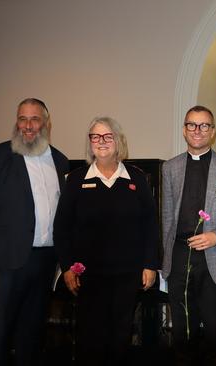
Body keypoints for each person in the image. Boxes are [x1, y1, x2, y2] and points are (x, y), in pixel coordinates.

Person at [53, 117, 158, 366]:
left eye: (107, 136)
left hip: (126, 275)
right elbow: (61, 227)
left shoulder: (137, 178)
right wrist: (67, 267)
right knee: (91, 338)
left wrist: (150, 265)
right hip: (88, 277)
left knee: (120, 337)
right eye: (95, 137)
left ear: (118, 141)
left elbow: (150, 225)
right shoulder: (76, 179)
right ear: (90, 143)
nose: (101, 142)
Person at [0, 98, 69, 366]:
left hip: (45, 262)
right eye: (22, 118)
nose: (27, 125)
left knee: (32, 333)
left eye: (34, 119)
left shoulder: (60, 161)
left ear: (46, 123)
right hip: (7, 262)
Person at [161, 105, 216, 365]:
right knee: (182, 326)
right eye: (192, 125)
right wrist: (165, 260)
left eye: (204, 125)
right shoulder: (170, 168)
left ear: (213, 132)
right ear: (184, 130)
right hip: (180, 256)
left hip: (215, 255)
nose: (198, 130)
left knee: (215, 328)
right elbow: (167, 218)